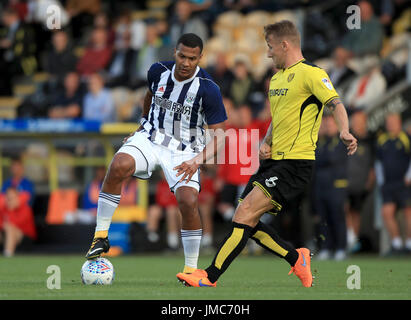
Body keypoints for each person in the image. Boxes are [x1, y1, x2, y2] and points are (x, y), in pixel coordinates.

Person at [177, 20, 357, 288]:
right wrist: (267, 140)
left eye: (271, 47)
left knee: (244, 213)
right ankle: (297, 258)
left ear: (285, 45)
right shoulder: (276, 78)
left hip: (296, 164)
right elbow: (279, 117)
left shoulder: (312, 73)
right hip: (273, 161)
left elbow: (336, 103)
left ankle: (209, 276)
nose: (268, 53)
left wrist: (344, 130)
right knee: (246, 219)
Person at [84, 33, 227, 277]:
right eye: (182, 56)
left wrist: (197, 160)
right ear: (175, 52)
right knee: (118, 164)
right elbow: (149, 96)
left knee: (188, 201)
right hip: (151, 137)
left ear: (200, 58)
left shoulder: (209, 89)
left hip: (185, 150)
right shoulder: (157, 71)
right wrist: (142, 124)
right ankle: (101, 236)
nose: (185, 62)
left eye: (192, 58)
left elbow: (220, 136)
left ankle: (191, 269)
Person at [314, 113, 348, 261]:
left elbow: (331, 158)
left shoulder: (340, 141)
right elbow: (315, 160)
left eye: (329, 124)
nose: (327, 127)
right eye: (325, 124)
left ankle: (341, 248)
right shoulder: (320, 142)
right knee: (323, 218)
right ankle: (326, 247)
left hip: (336, 186)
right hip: (321, 186)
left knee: (337, 218)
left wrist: (322, 159)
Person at [375, 113, 411, 255]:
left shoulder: (406, 138)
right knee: (386, 212)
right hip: (388, 184)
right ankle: (396, 244)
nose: (390, 125)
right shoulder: (381, 140)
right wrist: (380, 180)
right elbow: (378, 162)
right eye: (388, 122)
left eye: (393, 122)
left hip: (404, 183)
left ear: (399, 123)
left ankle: (409, 244)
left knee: (408, 212)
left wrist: (409, 176)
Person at [346, 111, 375, 253]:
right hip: (346, 183)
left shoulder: (371, 140)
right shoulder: (347, 138)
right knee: (344, 208)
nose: (356, 124)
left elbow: (373, 166)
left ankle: (353, 240)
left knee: (356, 212)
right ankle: (348, 237)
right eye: (354, 121)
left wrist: (369, 183)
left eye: (359, 121)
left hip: (360, 184)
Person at [0, 187, 37, 257]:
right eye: (8, 198)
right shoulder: (3, 209)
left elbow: (16, 224)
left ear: (17, 198)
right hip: (6, 234)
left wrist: (11, 210)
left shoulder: (25, 209)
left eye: (12, 198)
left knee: (10, 228)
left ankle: (8, 254)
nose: (9, 200)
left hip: (25, 237)